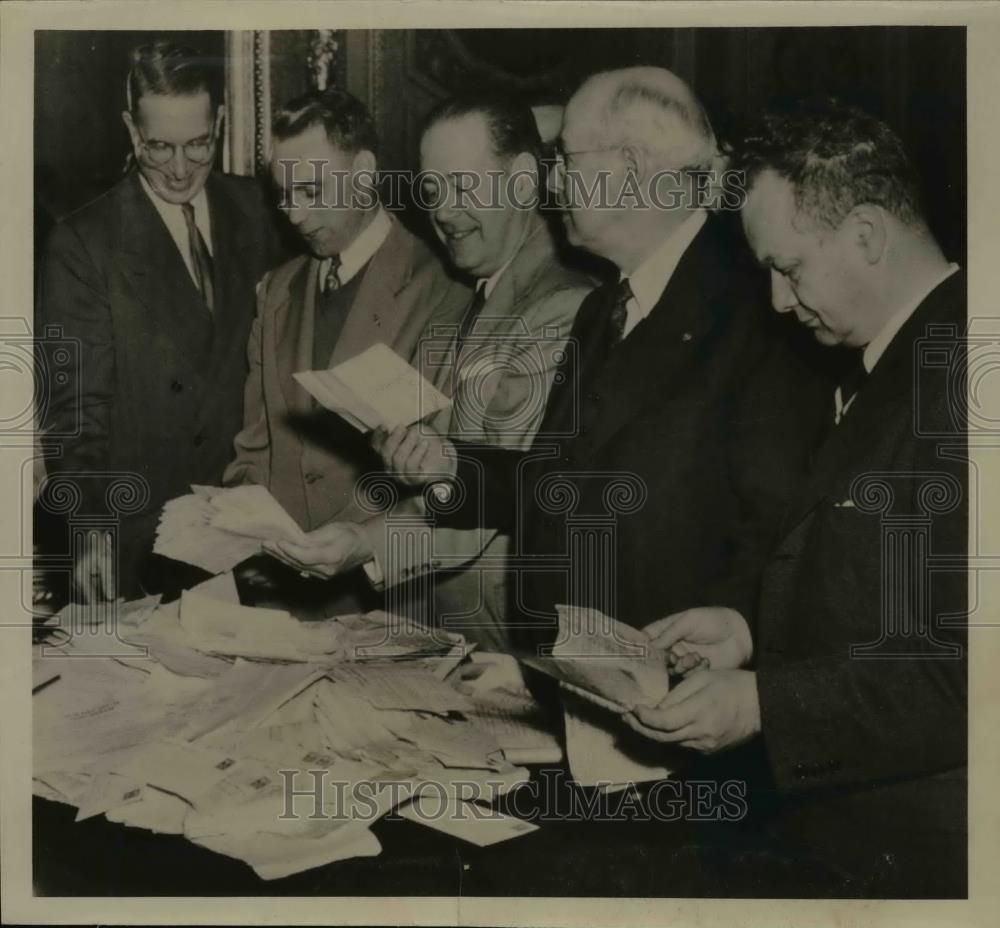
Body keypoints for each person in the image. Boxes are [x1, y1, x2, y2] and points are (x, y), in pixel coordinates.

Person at [358, 70, 831, 676]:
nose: (552, 182)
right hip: (579, 678)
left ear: (628, 170)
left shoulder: (760, 310)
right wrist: (453, 466)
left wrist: (730, 641)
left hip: (678, 688)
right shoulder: (604, 308)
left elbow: (782, 534)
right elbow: (560, 482)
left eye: (565, 160)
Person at [626, 100, 967, 897]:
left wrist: (765, 707)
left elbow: (970, 674)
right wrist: (747, 628)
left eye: (789, 267)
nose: (779, 301)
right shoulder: (894, 360)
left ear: (866, 235)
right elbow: (875, 585)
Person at [263, 95, 595, 649]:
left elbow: (492, 497)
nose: (443, 211)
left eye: (463, 186)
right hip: (444, 629)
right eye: (433, 190)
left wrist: (364, 544)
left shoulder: (560, 307)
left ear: (522, 180)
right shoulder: (473, 294)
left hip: (505, 637)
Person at [37, 41, 283, 601]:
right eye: (159, 146)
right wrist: (91, 527)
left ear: (220, 121)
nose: (178, 168)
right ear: (131, 130)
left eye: (198, 144)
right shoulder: (83, 244)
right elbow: (77, 412)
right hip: (140, 539)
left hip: (250, 536)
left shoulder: (261, 213)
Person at [223, 87, 469, 616]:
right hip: (276, 600)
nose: (294, 214)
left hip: (387, 603)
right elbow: (255, 449)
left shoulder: (446, 288)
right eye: (285, 194)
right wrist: (248, 535)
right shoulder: (277, 290)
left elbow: (453, 482)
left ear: (363, 172)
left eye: (311, 191)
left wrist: (360, 548)